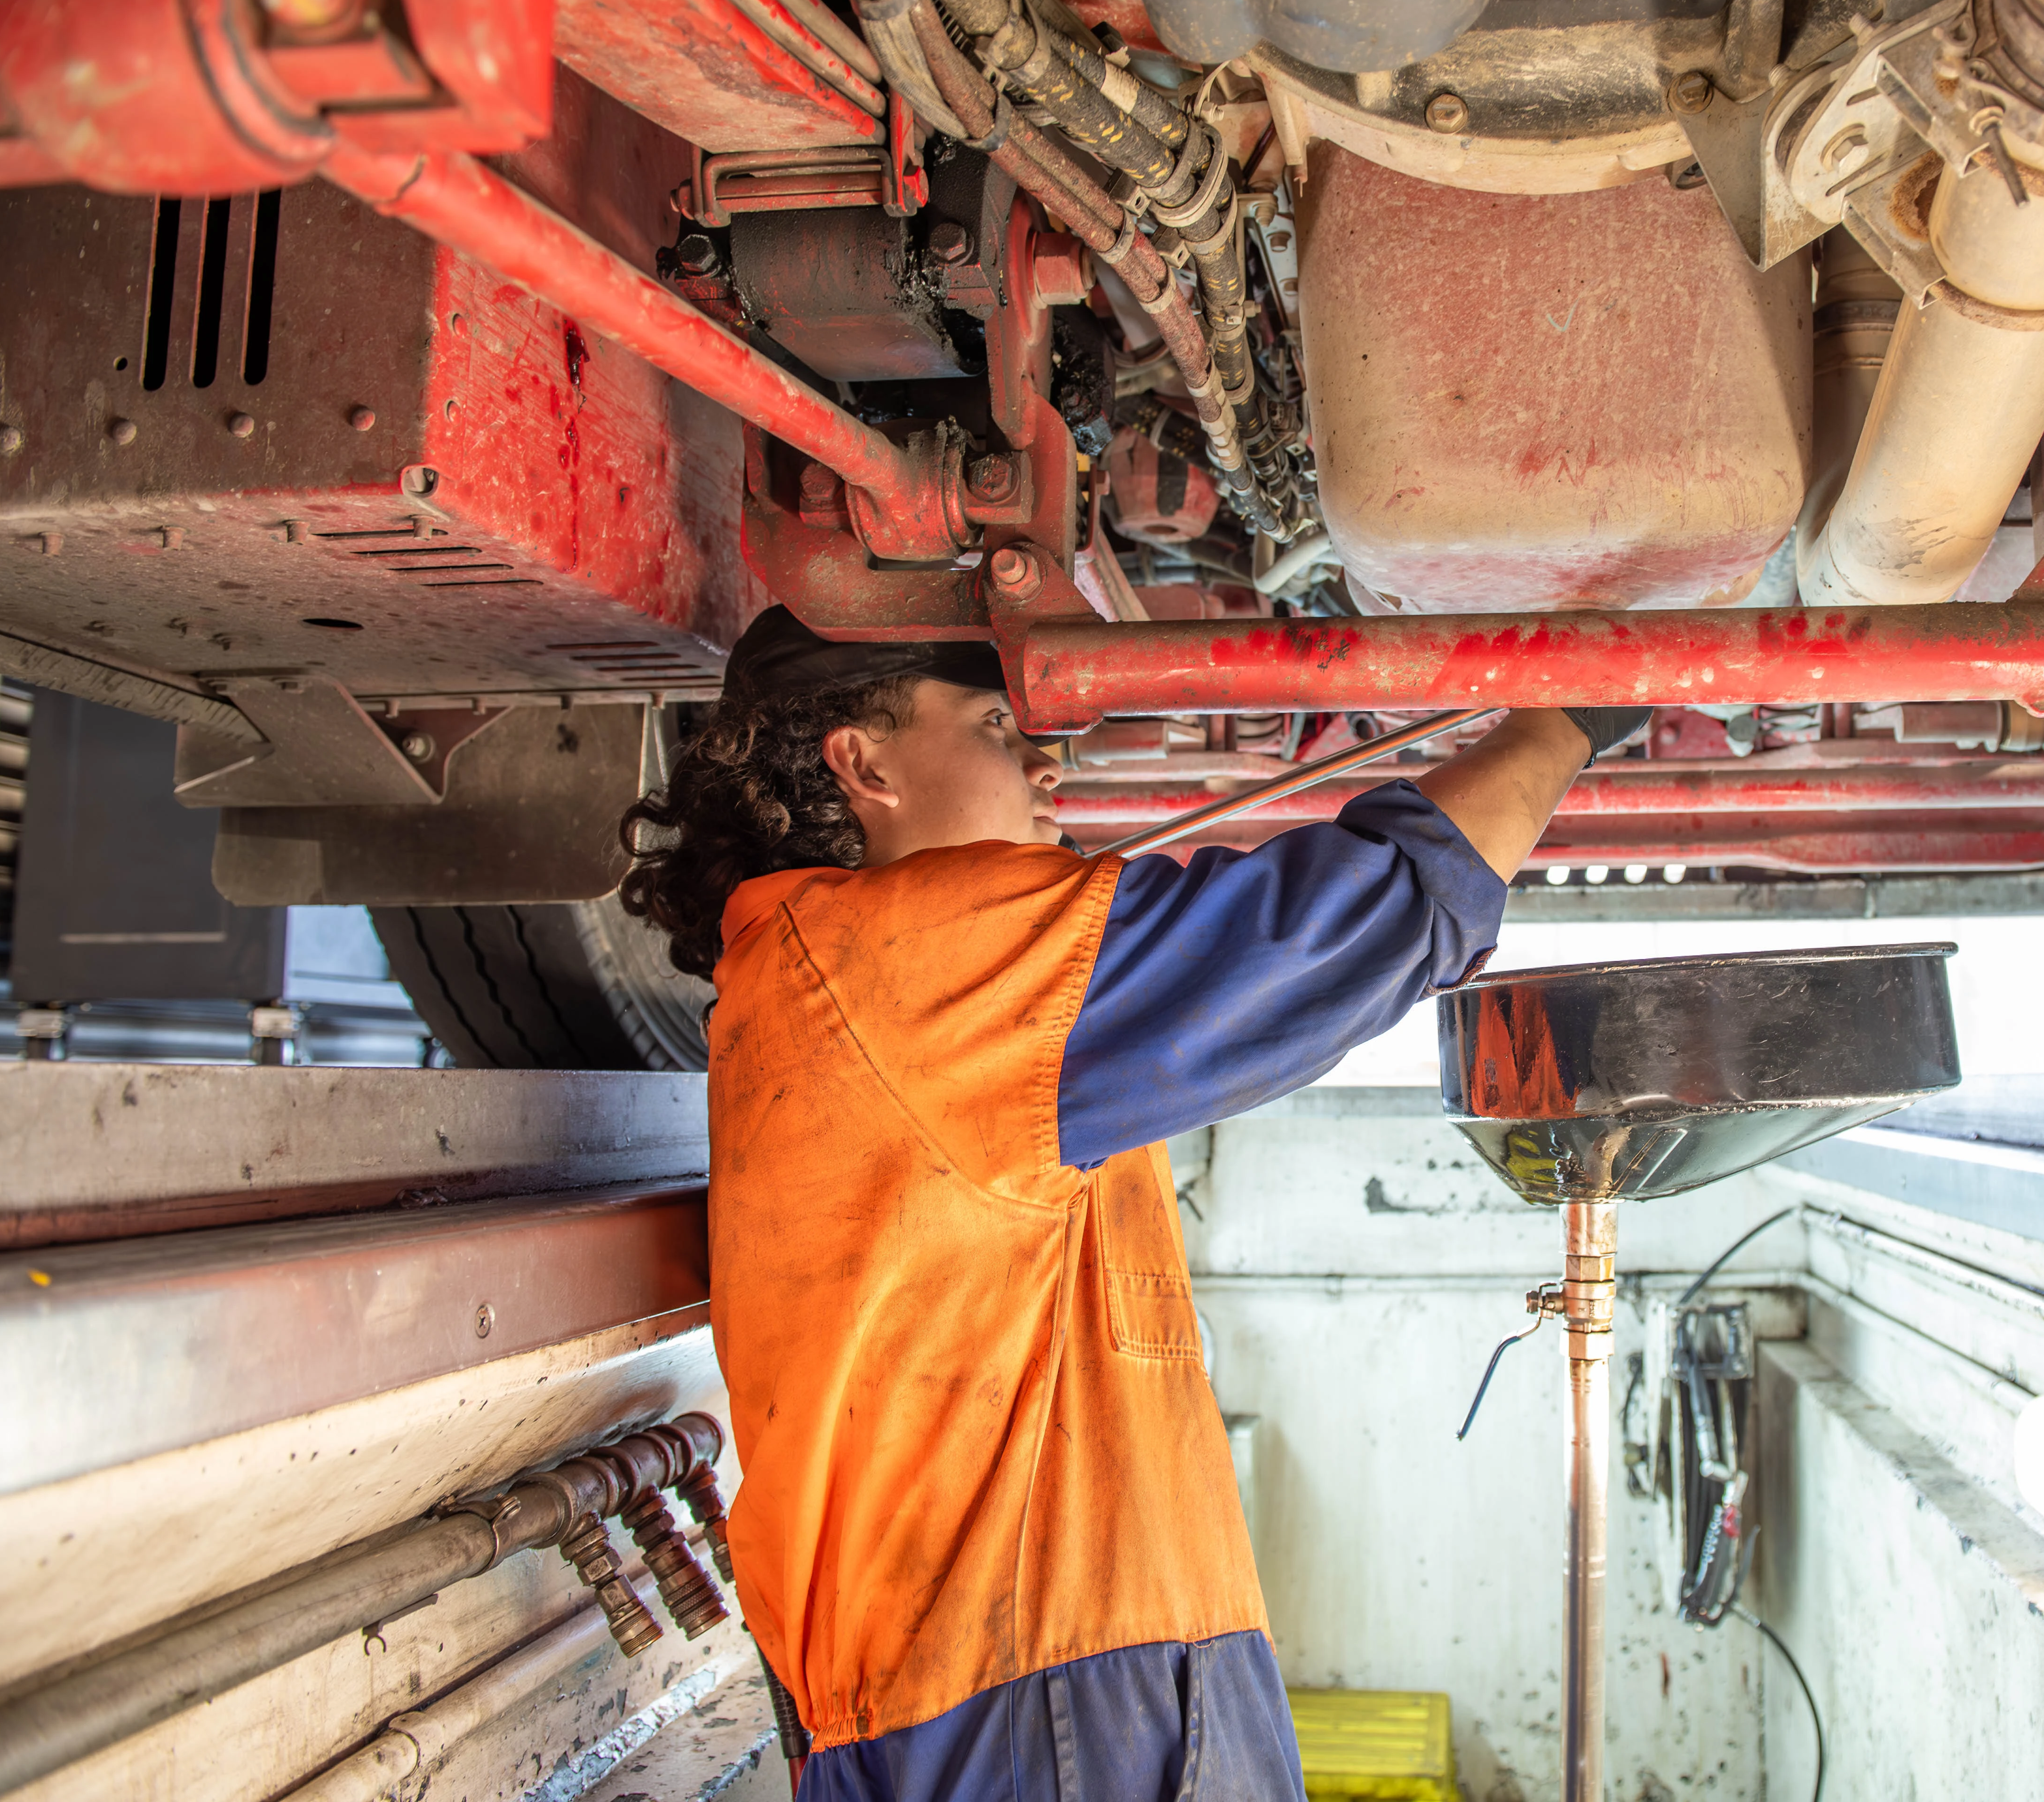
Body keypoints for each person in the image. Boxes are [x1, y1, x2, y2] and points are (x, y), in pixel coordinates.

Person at [621, 606, 1644, 1802]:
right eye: (997, 725)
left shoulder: (831, 973)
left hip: (997, 1685)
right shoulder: (911, 965)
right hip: (1046, 1691)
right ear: (864, 763)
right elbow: (1330, 933)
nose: (1046, 760)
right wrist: (1568, 719)